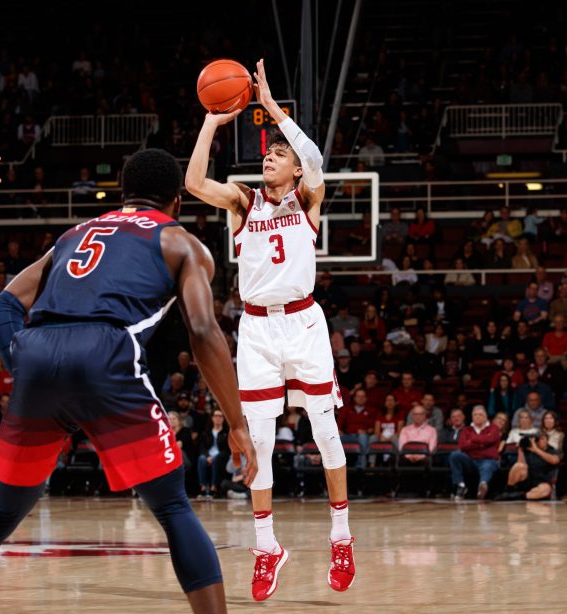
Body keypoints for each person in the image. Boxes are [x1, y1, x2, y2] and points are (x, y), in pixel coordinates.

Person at [0, 149, 257, 614]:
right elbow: (203, 331)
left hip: (38, 353)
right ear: (177, 201)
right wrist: (237, 421)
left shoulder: (74, 235)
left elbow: (3, 303)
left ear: (123, 193)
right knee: (172, 507)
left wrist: (20, 365)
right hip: (105, 354)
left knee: (0, 513)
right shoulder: (181, 243)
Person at [186, 58, 354, 599]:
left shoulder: (308, 198)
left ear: (294, 171)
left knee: (325, 432)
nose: (270, 157)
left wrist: (275, 111)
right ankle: (266, 547)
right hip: (257, 330)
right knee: (257, 443)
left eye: (278, 154)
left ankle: (341, 536)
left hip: (304, 324)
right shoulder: (242, 202)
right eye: (268, 153)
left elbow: (313, 157)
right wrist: (214, 119)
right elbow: (191, 183)